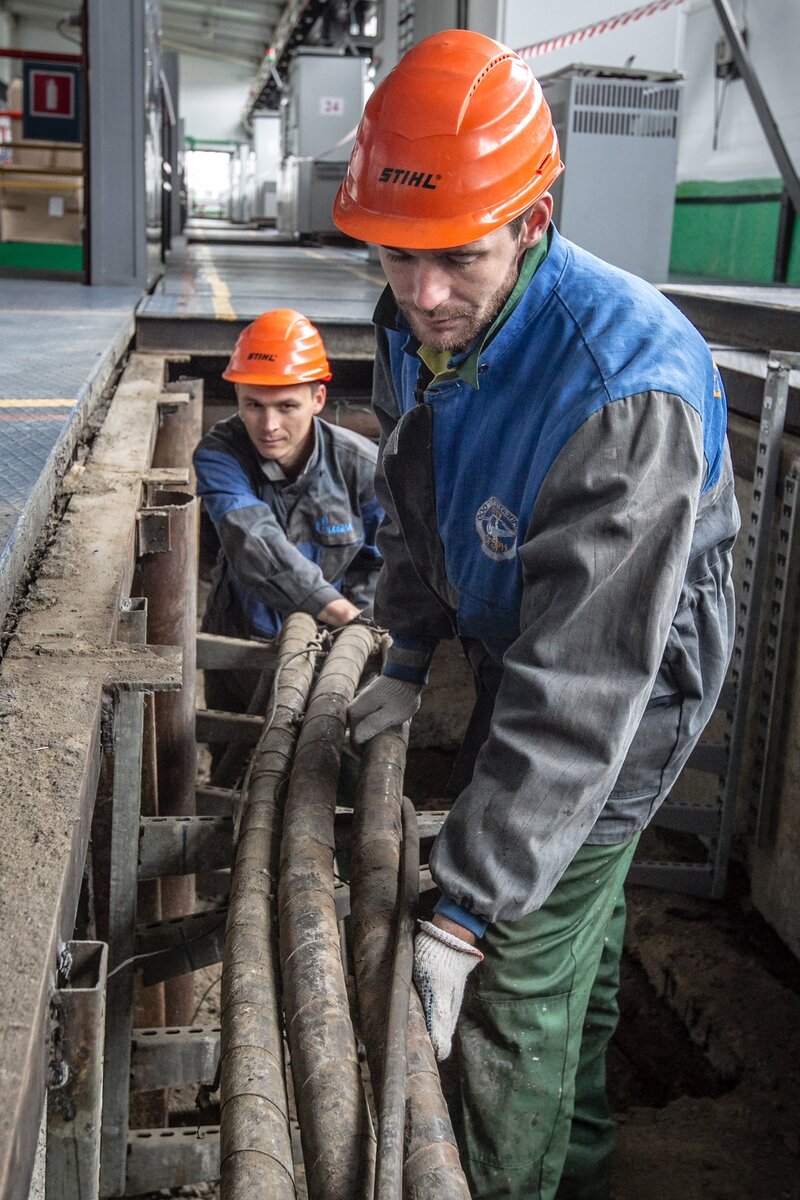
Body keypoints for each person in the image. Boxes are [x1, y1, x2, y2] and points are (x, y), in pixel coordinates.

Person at [336, 29, 739, 1200]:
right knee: (575, 926)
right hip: (526, 632)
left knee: (515, 969)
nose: (422, 294)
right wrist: (405, 647)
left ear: (531, 218)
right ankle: (586, 1148)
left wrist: (463, 912)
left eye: (456, 257)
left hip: (628, 673)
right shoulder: (426, 318)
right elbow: (414, 496)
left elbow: (580, 692)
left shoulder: (623, 394)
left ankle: (517, 1180)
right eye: (396, 258)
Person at [195, 308, 383, 731]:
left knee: (334, 761)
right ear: (238, 396)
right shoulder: (220, 454)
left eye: (287, 406)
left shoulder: (362, 468)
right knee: (231, 749)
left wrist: (357, 637)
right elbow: (253, 540)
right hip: (239, 642)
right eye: (253, 405)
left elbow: (383, 562)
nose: (269, 425)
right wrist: (336, 609)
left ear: (318, 399)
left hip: (334, 653)